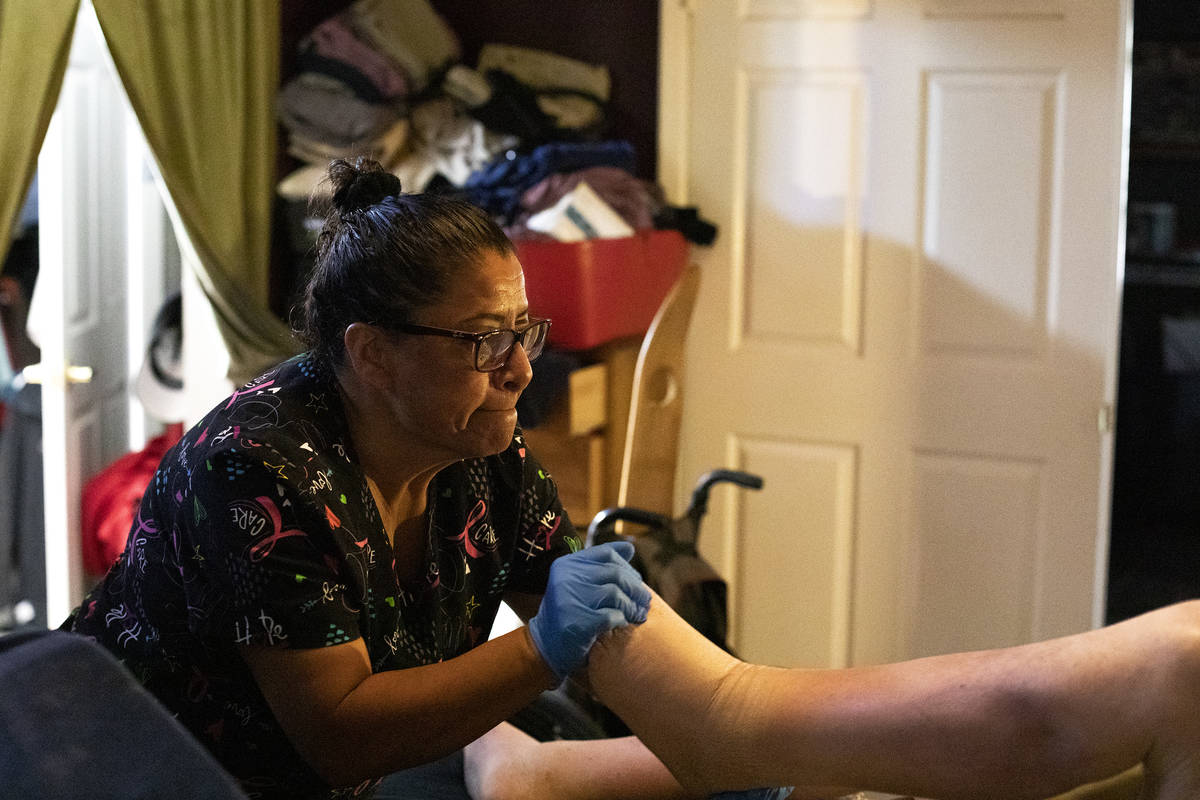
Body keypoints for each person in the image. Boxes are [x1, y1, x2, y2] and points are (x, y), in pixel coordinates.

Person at [62, 157, 681, 799]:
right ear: (373, 355)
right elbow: (340, 735)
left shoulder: (483, 453)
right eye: (484, 341)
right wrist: (538, 648)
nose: (520, 370)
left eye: (523, 333)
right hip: (99, 769)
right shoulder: (253, 470)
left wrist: (719, 738)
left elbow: (623, 652)